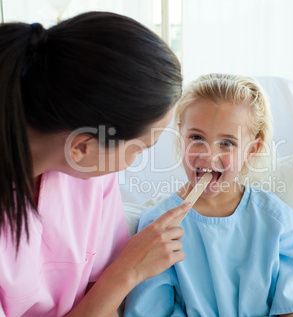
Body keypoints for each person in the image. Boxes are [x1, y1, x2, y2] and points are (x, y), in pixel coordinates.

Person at [0, 11, 191, 317]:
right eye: (139, 149)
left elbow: (98, 293)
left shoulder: (91, 177)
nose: (132, 163)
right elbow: (108, 285)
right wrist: (126, 272)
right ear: (82, 147)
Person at [124, 73, 293, 317]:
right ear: (180, 134)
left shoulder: (277, 221)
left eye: (227, 143)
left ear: (251, 149)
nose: (208, 155)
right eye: (196, 138)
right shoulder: (158, 227)